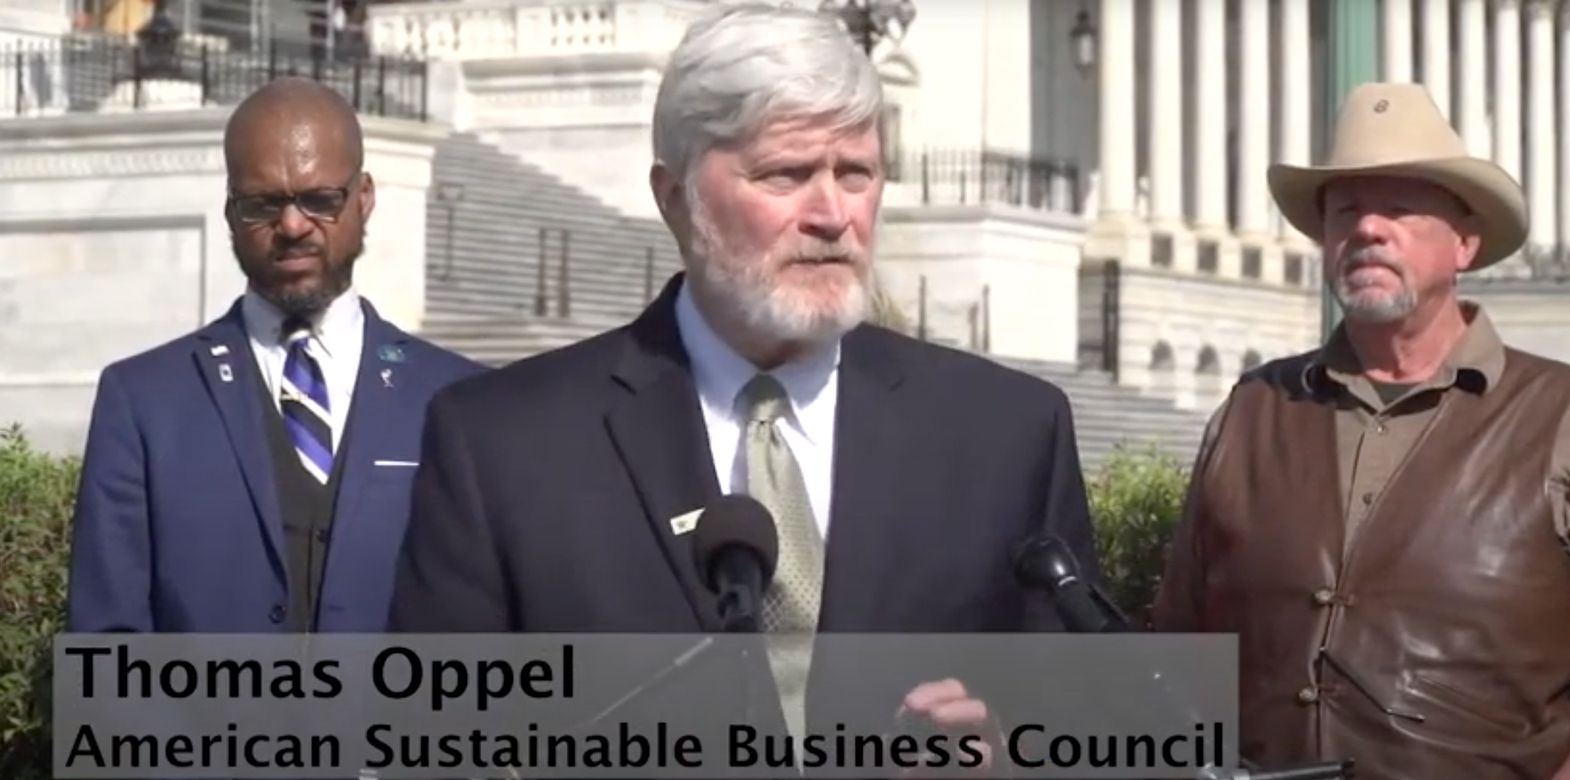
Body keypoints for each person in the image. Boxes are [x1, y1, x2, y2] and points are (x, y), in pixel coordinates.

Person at [389, 1, 1099, 756]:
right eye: (786, 174)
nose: (832, 213)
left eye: (855, 172)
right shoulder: (503, 448)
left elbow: (1087, 730)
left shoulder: (1008, 435)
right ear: (675, 199)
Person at [1152, 81, 1570, 779]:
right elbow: (1178, 647)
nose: (1366, 229)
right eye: (1346, 211)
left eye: (1399, 208)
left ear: (1465, 243)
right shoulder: (1252, 410)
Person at [67, 77, 481, 633]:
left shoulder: (459, 400)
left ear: (363, 200)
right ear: (231, 212)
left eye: (319, 200)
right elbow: (107, 639)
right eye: (264, 204)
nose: (292, 226)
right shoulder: (144, 402)